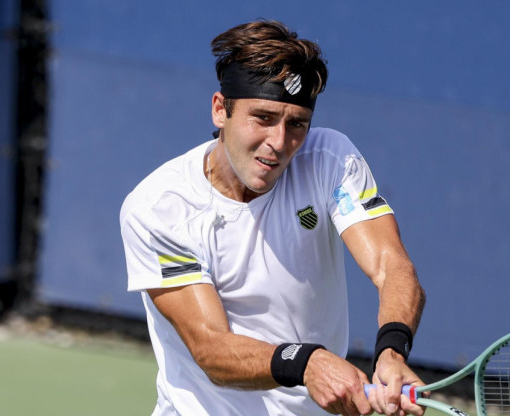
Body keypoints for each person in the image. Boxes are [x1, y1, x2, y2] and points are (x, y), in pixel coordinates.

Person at [120, 20, 426, 416]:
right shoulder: (159, 208)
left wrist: (392, 351)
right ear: (220, 110)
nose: (280, 143)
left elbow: (391, 265)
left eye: (297, 124)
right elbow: (211, 348)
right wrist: (308, 362)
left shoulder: (330, 159)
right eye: (262, 118)